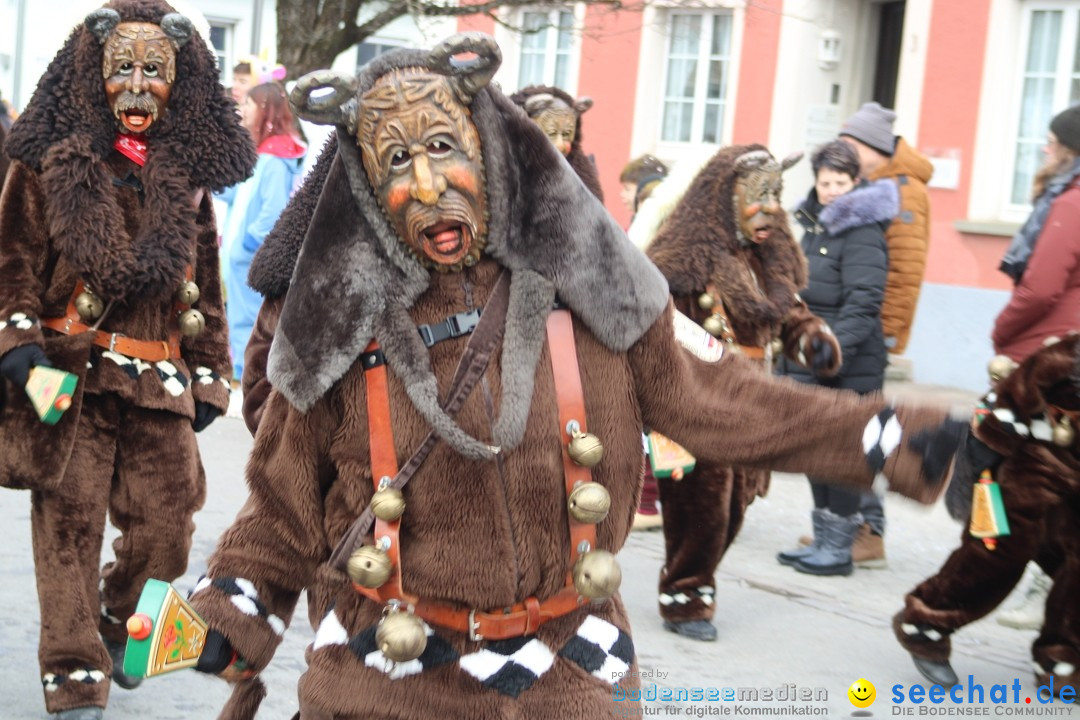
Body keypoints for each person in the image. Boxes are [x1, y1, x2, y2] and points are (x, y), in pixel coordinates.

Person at [184, 33, 964, 720]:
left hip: (574, 670)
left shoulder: (599, 297)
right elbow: (282, 507)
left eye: (444, 148)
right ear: (363, 186)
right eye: (396, 159)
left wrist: (883, 435)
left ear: (489, 150)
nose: (427, 186)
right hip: (383, 678)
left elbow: (726, 403)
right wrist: (231, 616)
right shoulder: (340, 330)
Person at [0, 2, 255, 718]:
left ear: (178, 80)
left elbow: (206, 273)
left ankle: (118, 626)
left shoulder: (184, 175)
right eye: (123, 70)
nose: (138, 86)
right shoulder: (45, 159)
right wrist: (16, 346)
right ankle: (75, 679)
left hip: (160, 381)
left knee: (167, 533)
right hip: (69, 378)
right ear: (95, 76)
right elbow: (11, 256)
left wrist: (210, 371)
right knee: (68, 533)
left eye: (154, 71)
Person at [641, 145, 845, 640]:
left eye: (776, 195)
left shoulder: (766, 261)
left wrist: (812, 341)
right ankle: (685, 595)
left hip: (753, 401)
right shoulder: (681, 265)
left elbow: (788, 314)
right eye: (759, 196)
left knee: (735, 508)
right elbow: (660, 332)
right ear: (725, 196)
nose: (771, 207)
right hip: (699, 404)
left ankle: (692, 580)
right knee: (704, 506)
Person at [893, 333, 1080, 694]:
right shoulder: (1067, 356)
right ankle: (926, 621)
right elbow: (1011, 396)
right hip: (1033, 461)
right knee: (1000, 550)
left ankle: (1061, 657)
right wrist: (990, 449)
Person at [775, 140, 897, 576]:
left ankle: (840, 548)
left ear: (856, 182)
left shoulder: (863, 232)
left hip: (847, 365)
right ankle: (823, 539)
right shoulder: (814, 226)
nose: (831, 190)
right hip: (810, 357)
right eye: (825, 181)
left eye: (840, 183)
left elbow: (864, 304)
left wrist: (829, 352)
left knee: (843, 454)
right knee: (813, 452)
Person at [991, 104, 1080, 630]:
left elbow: (1041, 286)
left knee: (1038, 486)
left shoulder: (1069, 202)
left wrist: (1003, 332)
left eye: (1051, 142)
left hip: (1054, 360)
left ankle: (1046, 594)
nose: (1044, 149)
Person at [838, 102, 934, 567]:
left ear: (873, 148)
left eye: (851, 145)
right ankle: (843, 526)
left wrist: (887, 336)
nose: (845, 152)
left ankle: (869, 530)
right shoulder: (875, 184)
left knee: (868, 432)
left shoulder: (904, 192)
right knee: (853, 431)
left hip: (873, 334)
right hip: (860, 328)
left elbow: (903, 273)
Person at [222, 81, 305, 382]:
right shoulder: (263, 153)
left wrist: (246, 245)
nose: (242, 110)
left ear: (265, 110)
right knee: (240, 318)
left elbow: (272, 211)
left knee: (248, 320)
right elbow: (239, 195)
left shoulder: (276, 157)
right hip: (243, 256)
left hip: (249, 256)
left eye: (248, 104)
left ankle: (250, 378)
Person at [616, 153, 669, 531]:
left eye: (630, 189)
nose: (624, 195)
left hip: (655, 340)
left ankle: (648, 504)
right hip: (643, 337)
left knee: (650, 426)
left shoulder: (655, 239)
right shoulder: (639, 230)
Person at [509, 85, 604, 200]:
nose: (560, 144)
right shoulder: (508, 171)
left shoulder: (583, 184)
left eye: (566, 135)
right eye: (552, 134)